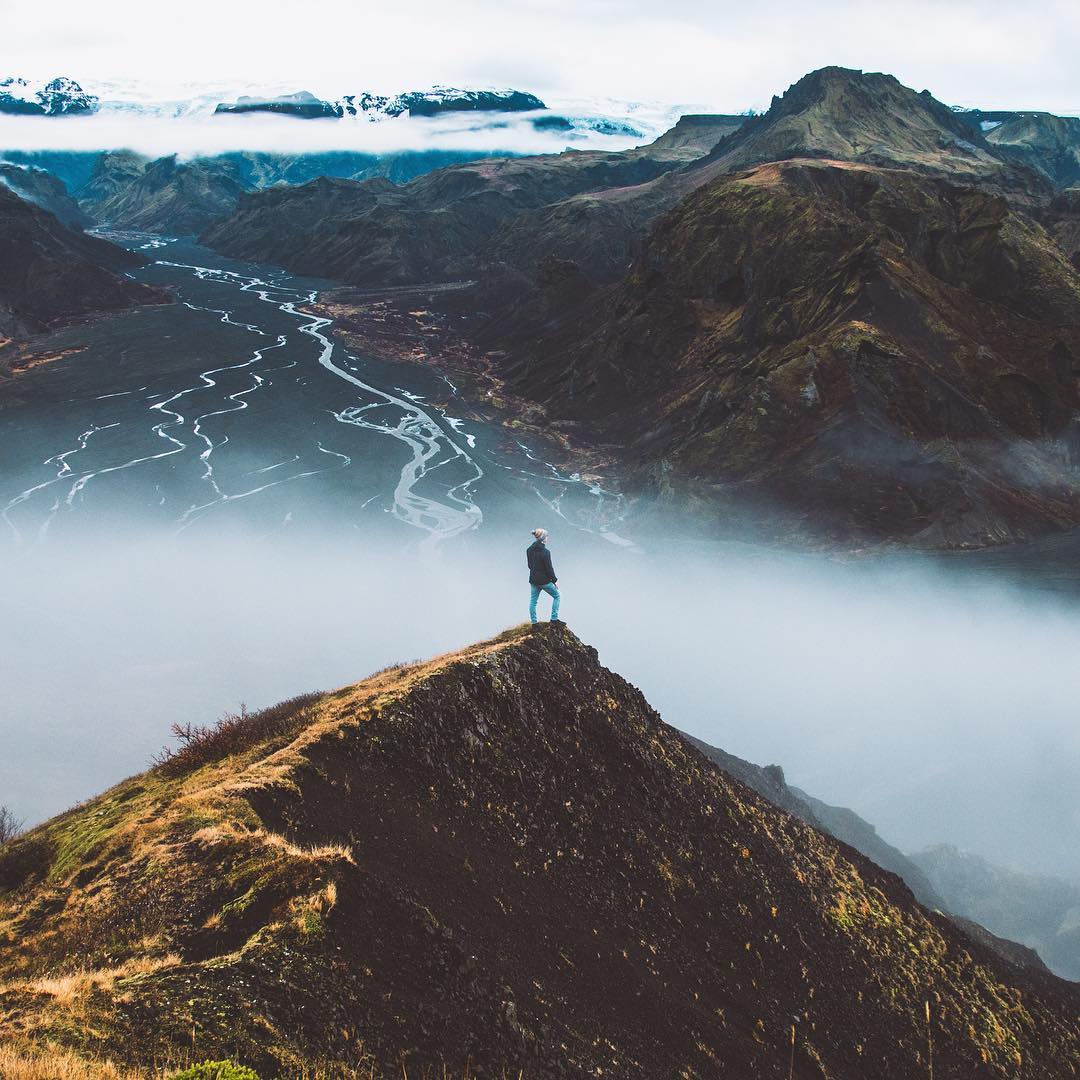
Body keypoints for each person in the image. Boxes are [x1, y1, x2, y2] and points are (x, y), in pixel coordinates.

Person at [526, 527, 561, 624]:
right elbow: (549, 569)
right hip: (544, 581)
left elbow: (529, 565)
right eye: (546, 536)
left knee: (533, 601)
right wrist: (554, 580)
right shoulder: (546, 552)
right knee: (557, 596)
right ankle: (554, 620)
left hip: (533, 580)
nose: (547, 538)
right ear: (543, 538)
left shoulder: (529, 550)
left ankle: (534, 623)